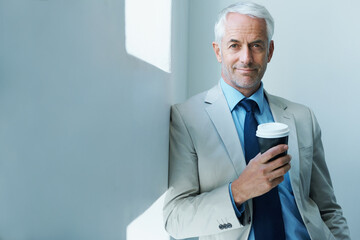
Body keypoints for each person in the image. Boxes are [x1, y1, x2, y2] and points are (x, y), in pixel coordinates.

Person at [163, 2, 350, 240]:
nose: (247, 58)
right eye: (234, 45)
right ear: (218, 51)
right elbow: (174, 219)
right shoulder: (186, 118)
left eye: (256, 46)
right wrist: (238, 191)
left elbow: (328, 209)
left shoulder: (303, 117)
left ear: (270, 51)